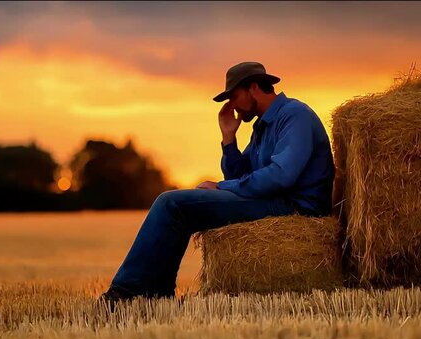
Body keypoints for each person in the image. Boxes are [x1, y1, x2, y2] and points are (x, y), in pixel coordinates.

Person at [98, 61, 335, 304]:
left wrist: (221, 187)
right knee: (179, 208)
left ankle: (124, 294)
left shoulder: (295, 115)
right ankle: (156, 294)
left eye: (233, 96)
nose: (230, 106)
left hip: (295, 207)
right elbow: (241, 178)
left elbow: (282, 176)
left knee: (171, 203)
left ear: (253, 87)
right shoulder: (261, 128)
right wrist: (228, 139)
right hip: (273, 200)